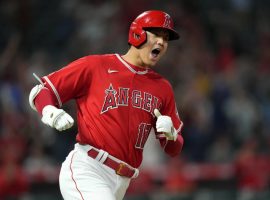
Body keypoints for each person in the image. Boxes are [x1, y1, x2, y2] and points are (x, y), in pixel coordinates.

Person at [29, 10, 184, 200]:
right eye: (157, 34)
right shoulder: (96, 66)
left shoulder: (163, 88)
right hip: (89, 168)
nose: (162, 42)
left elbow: (174, 149)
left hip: (122, 181)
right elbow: (42, 90)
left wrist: (171, 135)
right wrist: (50, 111)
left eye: (166, 38)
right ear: (137, 34)